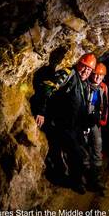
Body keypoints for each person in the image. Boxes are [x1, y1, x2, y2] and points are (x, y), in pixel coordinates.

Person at [35, 53, 97, 194]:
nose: (86, 71)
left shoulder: (84, 83)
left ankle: (83, 180)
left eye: (89, 70)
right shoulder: (68, 73)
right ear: (79, 63)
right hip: (61, 125)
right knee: (77, 155)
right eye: (84, 67)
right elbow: (48, 87)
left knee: (85, 153)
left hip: (74, 126)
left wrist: (87, 121)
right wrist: (41, 111)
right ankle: (75, 182)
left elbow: (80, 107)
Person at [85, 63, 109, 192]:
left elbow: (106, 104)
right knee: (84, 147)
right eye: (96, 74)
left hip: (95, 121)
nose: (98, 77)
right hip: (83, 120)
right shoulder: (85, 84)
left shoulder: (103, 87)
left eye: (101, 75)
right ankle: (86, 176)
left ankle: (96, 179)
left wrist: (103, 120)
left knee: (97, 145)